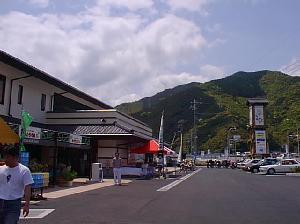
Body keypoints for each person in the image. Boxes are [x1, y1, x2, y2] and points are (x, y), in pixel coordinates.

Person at [0, 146, 34, 224]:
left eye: (8, 157)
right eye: (4, 157)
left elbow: (27, 188)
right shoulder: (1, 169)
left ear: (15, 157)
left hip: (14, 204)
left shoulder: (24, 170)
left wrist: (27, 204)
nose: (5, 159)